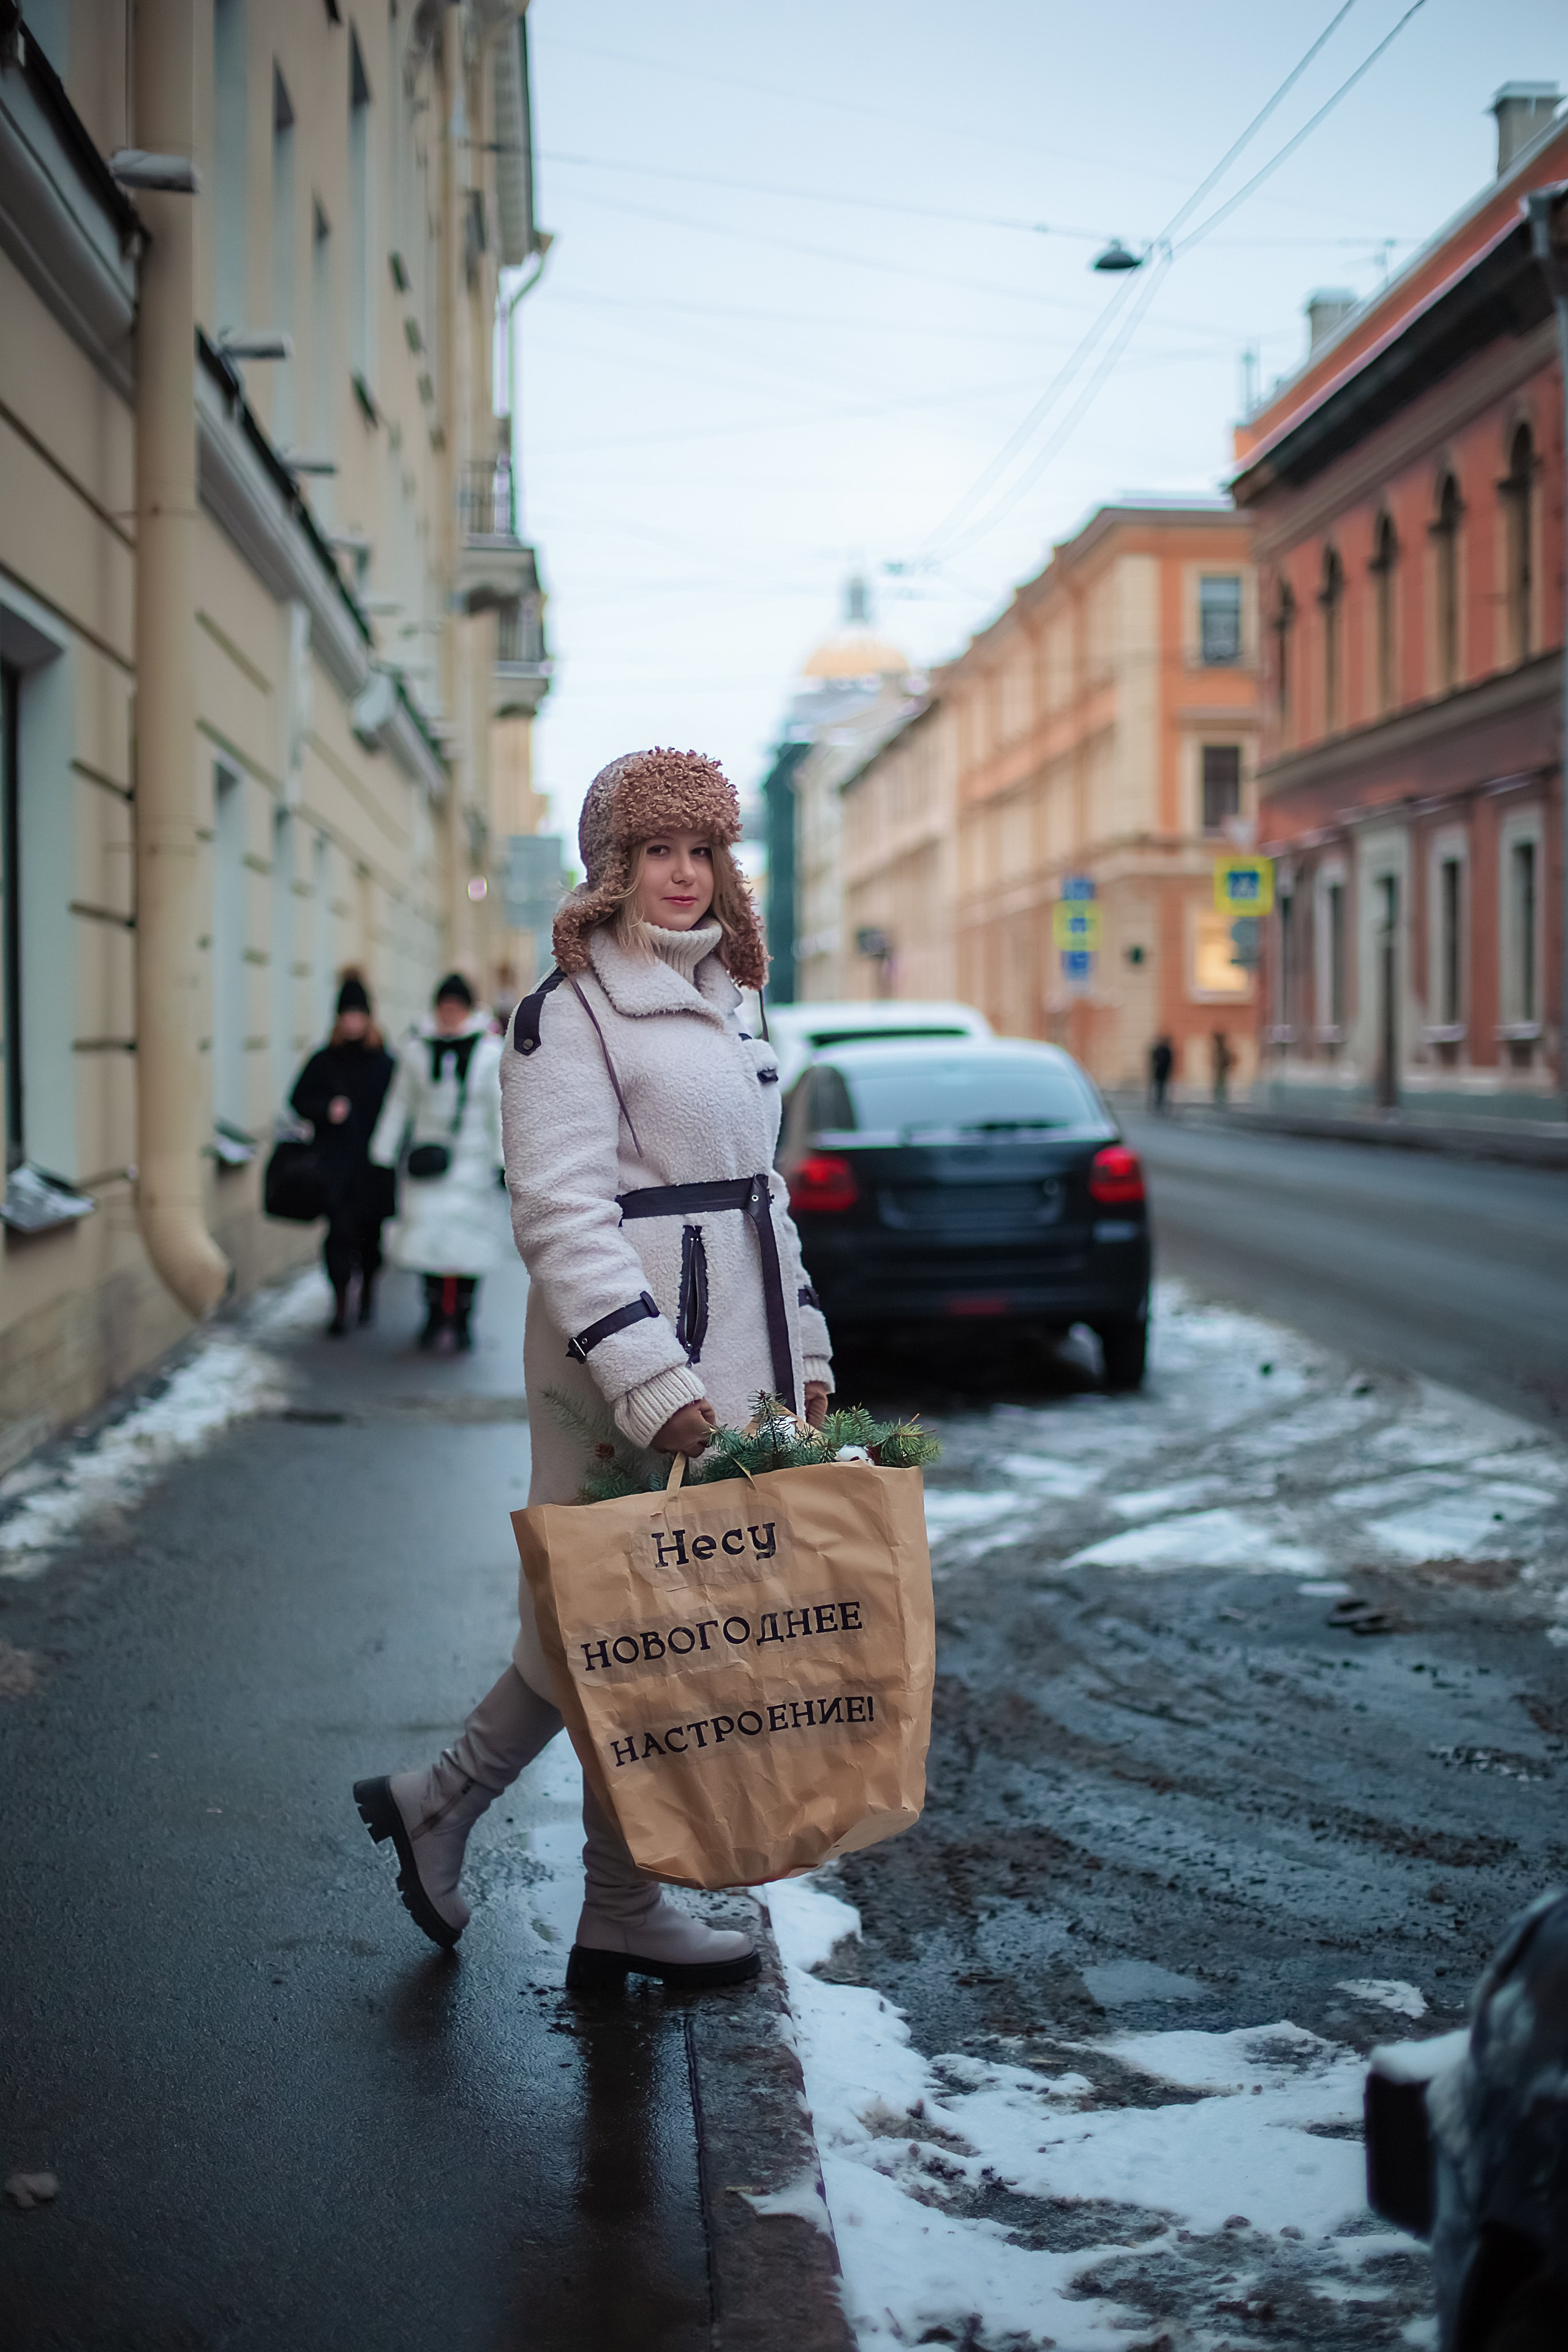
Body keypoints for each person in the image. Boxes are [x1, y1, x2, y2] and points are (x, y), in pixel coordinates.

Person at [354, 747, 834, 1991]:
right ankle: (581, 1882)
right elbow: (561, 1216)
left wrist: (808, 1356)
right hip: (616, 1368)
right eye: (656, 852)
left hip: (737, 1357)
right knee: (614, 1619)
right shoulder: (564, 1014)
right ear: (610, 870)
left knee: (626, 1626)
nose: (684, 876)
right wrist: (651, 1379)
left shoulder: (729, 998)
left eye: (703, 852)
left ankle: (472, 1822)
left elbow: (760, 1199)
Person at [369, 973, 505, 1352]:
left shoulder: (489, 1052)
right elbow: (400, 1104)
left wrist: (501, 1160)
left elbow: (500, 1111)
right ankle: (431, 1316)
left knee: (469, 1248)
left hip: (473, 1165)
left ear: (466, 1009)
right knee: (425, 1243)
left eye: (455, 1007)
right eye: (444, 1007)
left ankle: (462, 1320)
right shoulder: (416, 1049)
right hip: (427, 1164)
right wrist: (383, 1151)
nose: (449, 1014)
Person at [288, 973, 396, 1336]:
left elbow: (400, 1110)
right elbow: (298, 1100)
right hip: (335, 1167)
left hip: (375, 1168)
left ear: (368, 1018)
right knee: (337, 1239)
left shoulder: (384, 1063)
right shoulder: (324, 1061)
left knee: (370, 1242)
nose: (352, 1022)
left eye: (358, 1015)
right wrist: (325, 1109)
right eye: (346, 1016)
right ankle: (339, 1307)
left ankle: (366, 1293)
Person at [1148, 1034, 1174, 1113]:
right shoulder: (1159, 1050)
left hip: (1162, 1073)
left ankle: (1159, 1102)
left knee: (1161, 1089)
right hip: (1158, 1073)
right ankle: (1156, 1102)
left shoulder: (1165, 1051)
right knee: (1158, 1088)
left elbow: (1169, 1062)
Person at [1212, 1028, 1235, 1106]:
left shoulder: (1224, 1050)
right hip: (1220, 1071)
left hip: (1222, 1071)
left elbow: (1227, 1060)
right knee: (1218, 1085)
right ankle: (1218, 1100)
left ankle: (1221, 1100)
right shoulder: (1218, 1050)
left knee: (1221, 1085)